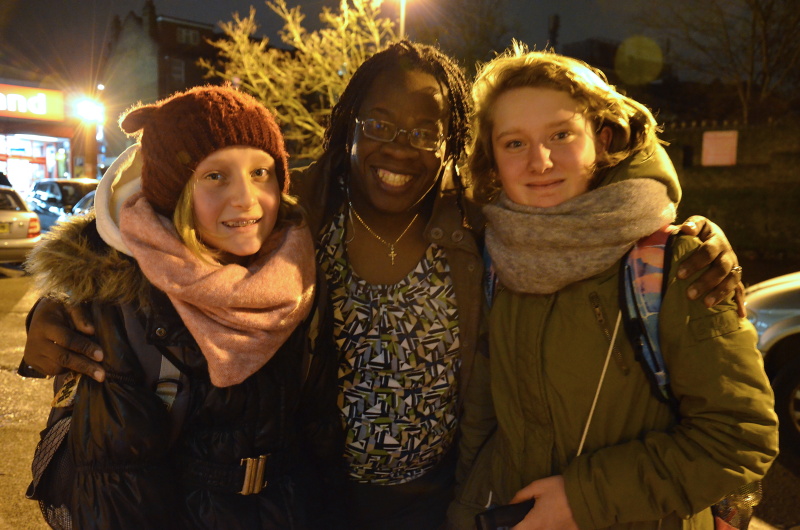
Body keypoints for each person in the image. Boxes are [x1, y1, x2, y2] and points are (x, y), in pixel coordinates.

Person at [21, 42, 743, 529]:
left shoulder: (483, 227)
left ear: (453, 142)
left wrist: (694, 234)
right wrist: (61, 303)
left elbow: (586, 209)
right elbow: (162, 234)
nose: (401, 146)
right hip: (314, 498)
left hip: (442, 502)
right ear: (348, 126)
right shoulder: (295, 216)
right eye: (380, 123)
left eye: (427, 131)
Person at [449, 45, 779, 529]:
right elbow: (482, 428)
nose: (540, 161)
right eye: (514, 143)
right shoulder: (495, 260)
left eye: (561, 134)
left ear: (602, 140)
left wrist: (582, 499)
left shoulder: (676, 263)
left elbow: (740, 437)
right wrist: (465, 514)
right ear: (493, 160)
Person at [24, 86, 339, 529]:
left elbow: (318, 431)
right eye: (215, 176)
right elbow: (117, 486)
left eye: (261, 172)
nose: (246, 198)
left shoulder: (298, 276)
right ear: (175, 191)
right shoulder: (128, 302)